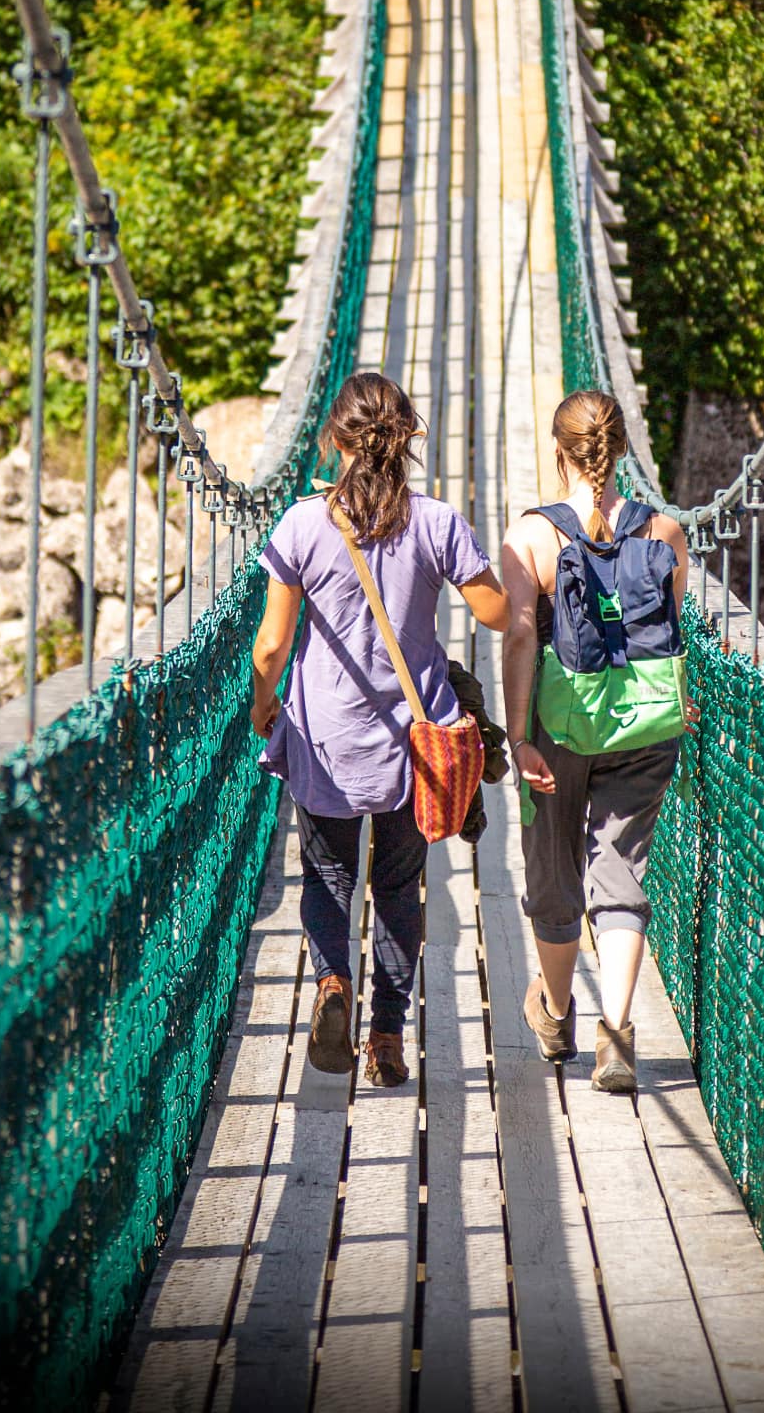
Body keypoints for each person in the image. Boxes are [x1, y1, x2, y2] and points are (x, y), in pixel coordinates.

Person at [251, 371, 510, 1086]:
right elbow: (495, 612)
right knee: (398, 887)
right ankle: (389, 1038)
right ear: (410, 439)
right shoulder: (434, 521)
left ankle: (335, 981)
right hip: (414, 744)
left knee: (329, 875)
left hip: (323, 738)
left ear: (334, 441)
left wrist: (260, 704)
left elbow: (272, 645)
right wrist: (506, 567)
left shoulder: (302, 523)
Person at [499, 390, 696, 1094]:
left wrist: (519, 738)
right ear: (618, 451)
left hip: (560, 727)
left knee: (552, 869)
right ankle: (616, 1031)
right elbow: (668, 636)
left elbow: (521, 634)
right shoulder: (667, 534)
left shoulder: (531, 537)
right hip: (646, 725)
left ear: (559, 451)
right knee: (620, 868)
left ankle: (555, 1013)